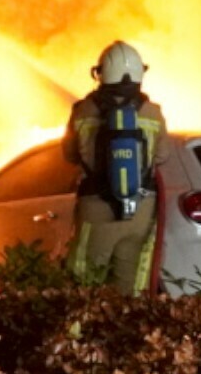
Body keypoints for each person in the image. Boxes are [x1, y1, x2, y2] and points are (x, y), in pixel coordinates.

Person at [64, 40, 167, 288]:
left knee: (83, 280)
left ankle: (77, 327)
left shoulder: (83, 111)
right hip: (141, 209)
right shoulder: (153, 113)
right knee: (131, 285)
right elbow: (162, 157)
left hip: (97, 207)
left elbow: (69, 155)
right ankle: (126, 327)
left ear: (100, 73)